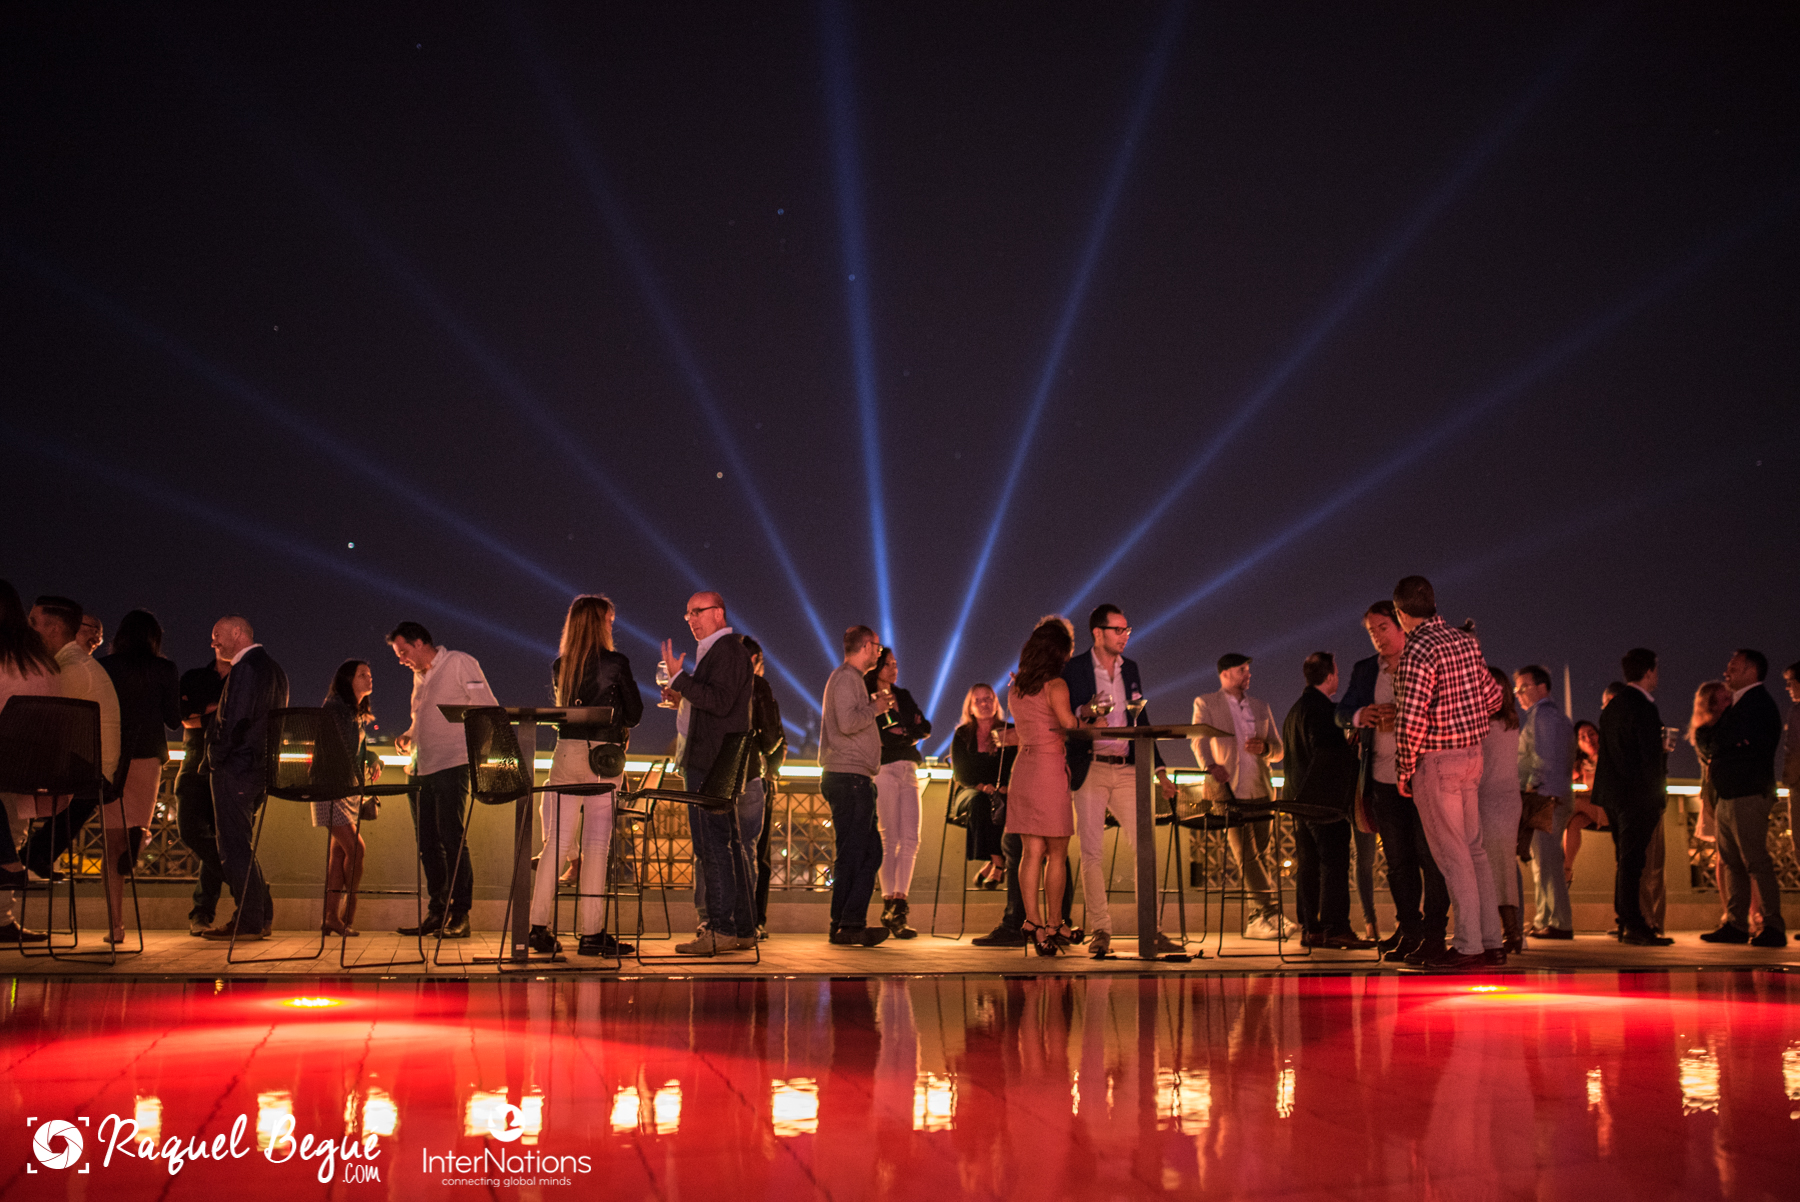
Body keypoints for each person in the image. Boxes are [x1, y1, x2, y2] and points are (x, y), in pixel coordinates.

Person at [1390, 576, 1505, 970]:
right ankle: (1492, 941)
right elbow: (1494, 697)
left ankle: (1469, 946)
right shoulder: (1465, 642)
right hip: (1473, 756)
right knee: (1475, 851)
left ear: (1401, 613)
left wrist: (1405, 768)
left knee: (1453, 855)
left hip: (1437, 761)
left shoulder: (1418, 649)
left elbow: (1411, 718)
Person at [527, 595, 643, 957]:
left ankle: (536, 927)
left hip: (566, 753)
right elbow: (634, 713)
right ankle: (592, 935)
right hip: (602, 758)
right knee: (595, 844)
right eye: (609, 620)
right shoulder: (616, 663)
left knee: (556, 844)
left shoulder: (562, 666)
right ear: (601, 622)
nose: (611, 626)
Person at [1062, 605, 1180, 958]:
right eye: (1118, 629)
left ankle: (1151, 930)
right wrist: (1087, 711)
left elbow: (1142, 717)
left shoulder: (1131, 669)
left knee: (1145, 845)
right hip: (1092, 765)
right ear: (1097, 633)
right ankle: (1101, 929)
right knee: (1091, 851)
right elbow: (1067, 715)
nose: (1125, 636)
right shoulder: (1075, 668)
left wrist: (1160, 771)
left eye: (1127, 629)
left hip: (1128, 766)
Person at [1337, 600, 1450, 964]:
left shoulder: (1425, 661)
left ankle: (1434, 933)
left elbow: (1445, 710)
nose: (1378, 637)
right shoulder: (1366, 669)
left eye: (1383, 628)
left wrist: (1405, 715)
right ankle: (1410, 930)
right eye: (1372, 632)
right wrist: (1362, 714)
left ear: (1401, 625)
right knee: (1398, 861)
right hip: (1382, 778)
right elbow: (1341, 712)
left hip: (1422, 775)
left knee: (1431, 857)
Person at [388, 620, 496, 939]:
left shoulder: (459, 662)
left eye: (403, 652)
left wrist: (479, 754)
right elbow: (420, 719)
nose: (401, 659)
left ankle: (460, 914)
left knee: (452, 838)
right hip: (418, 768)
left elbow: (487, 709)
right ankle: (438, 911)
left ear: (420, 643)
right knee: (427, 844)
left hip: (452, 764)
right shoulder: (419, 677)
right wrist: (409, 735)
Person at [662, 592, 757, 954]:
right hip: (716, 760)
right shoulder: (719, 651)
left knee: (712, 846)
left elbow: (719, 701)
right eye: (687, 614)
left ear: (718, 613)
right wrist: (684, 695)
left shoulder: (727, 650)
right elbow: (715, 700)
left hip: (711, 762)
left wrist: (680, 679)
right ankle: (742, 928)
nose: (691, 619)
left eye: (697, 612)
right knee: (725, 845)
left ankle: (719, 929)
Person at [21, 596, 121, 885]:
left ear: (53, 629)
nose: (27, 629)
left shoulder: (69, 669)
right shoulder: (76, 664)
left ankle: (12, 864)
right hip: (92, 770)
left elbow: (41, 728)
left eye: (33, 623)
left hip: (82, 773)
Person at [1007, 618, 1092, 956]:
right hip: (1049, 768)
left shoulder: (1016, 688)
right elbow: (1068, 724)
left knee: (1030, 852)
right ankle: (1055, 923)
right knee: (1057, 852)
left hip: (1023, 768)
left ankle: (1033, 922)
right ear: (1059, 652)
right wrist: (1091, 718)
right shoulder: (1056, 685)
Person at [1191, 653, 1291, 940]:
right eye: (1241, 670)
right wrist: (1210, 766)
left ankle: (1256, 920)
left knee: (1259, 855)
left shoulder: (1261, 706)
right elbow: (1198, 740)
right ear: (1224, 674)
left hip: (1261, 790)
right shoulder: (1206, 703)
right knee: (1246, 855)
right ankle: (1271, 911)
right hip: (1227, 791)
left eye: (1248, 670)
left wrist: (1265, 749)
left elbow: (1279, 749)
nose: (1248, 675)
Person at [201, 616, 288, 942]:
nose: (214, 643)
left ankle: (250, 919)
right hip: (260, 769)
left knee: (233, 847)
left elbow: (234, 720)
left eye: (217, 635)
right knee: (242, 844)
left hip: (236, 768)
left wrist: (215, 757)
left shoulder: (245, 668)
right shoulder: (276, 670)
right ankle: (259, 916)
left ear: (237, 632)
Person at [97, 610, 180, 944]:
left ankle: (116, 926)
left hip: (111, 758)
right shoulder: (164, 669)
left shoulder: (105, 667)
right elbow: (173, 719)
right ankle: (139, 840)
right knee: (139, 825)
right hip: (147, 755)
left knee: (110, 844)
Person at [1696, 649, 1786, 947]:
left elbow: (1722, 740)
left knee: (1755, 860)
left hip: (1747, 792)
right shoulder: (1740, 704)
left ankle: (1772, 925)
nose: (1727, 671)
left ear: (1751, 670)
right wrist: (1719, 742)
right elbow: (1717, 741)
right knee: (1733, 862)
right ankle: (1736, 923)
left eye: (1733, 666)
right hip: (1729, 793)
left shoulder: (1757, 704)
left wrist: (1718, 741)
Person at [818, 624, 895, 947]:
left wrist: (870, 705)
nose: (879, 652)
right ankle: (847, 924)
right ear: (865, 646)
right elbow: (848, 723)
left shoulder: (849, 680)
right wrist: (875, 708)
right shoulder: (847, 678)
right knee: (859, 853)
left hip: (853, 777)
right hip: (848, 778)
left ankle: (847, 923)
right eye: (877, 647)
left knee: (864, 852)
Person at [1282, 652, 1366, 948]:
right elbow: (1327, 753)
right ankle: (1336, 927)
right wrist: (1352, 752)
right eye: (1337, 674)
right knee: (1334, 862)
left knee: (1308, 865)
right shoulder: (1324, 710)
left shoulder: (1295, 710)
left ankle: (1311, 928)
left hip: (1296, 799)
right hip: (1322, 800)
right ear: (1330, 677)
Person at [1593, 648, 1673, 946]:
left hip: (1613, 795)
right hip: (1637, 796)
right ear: (1649, 671)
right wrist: (1658, 795)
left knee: (1624, 859)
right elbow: (1648, 758)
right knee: (1634, 862)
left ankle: (1626, 920)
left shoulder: (1613, 706)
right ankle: (1634, 923)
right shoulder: (1644, 707)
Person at [0, 580, 60, 941]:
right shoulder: (39, 660)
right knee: (11, 831)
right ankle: (3, 919)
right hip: (35, 771)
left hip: (7, 767)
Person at [865, 645, 930, 939]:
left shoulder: (902, 695)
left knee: (911, 838)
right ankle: (889, 902)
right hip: (884, 769)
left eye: (895, 663)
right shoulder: (868, 696)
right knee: (888, 838)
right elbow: (878, 735)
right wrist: (905, 733)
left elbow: (924, 726)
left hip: (909, 768)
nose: (894, 669)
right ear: (877, 667)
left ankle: (900, 903)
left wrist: (903, 734)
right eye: (888, 664)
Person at [319, 660, 382, 936]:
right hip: (332, 788)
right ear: (348, 679)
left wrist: (373, 757)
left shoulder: (351, 712)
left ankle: (331, 917)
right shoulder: (336, 709)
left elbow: (355, 748)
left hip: (344, 789)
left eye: (369, 674)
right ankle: (349, 907)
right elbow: (340, 750)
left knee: (340, 854)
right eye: (362, 674)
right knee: (357, 849)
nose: (369, 678)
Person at [1513, 664, 1574, 940]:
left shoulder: (1543, 716)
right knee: (1545, 861)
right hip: (1556, 794)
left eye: (1523, 687)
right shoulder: (1557, 717)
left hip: (1544, 797)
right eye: (1517, 689)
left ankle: (1558, 922)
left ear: (1542, 687)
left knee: (1547, 863)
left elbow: (1543, 756)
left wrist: (1531, 786)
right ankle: (1546, 919)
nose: (1518, 693)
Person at [174, 644, 230, 934]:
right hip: (196, 758)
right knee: (191, 829)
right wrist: (220, 712)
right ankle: (250, 885)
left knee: (221, 838)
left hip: (230, 763)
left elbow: (196, 718)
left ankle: (202, 913)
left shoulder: (246, 679)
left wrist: (204, 712)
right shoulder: (195, 677)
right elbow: (183, 717)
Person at [1478, 665, 1524, 954]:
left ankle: (1501, 933)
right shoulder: (1511, 722)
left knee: (1489, 868)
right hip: (1507, 800)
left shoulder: (1483, 725)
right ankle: (1511, 932)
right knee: (1503, 867)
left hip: (1487, 798)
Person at [743, 635, 786, 939]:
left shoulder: (720, 686)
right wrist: (772, 770)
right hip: (758, 778)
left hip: (725, 779)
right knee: (758, 852)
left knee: (728, 850)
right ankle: (755, 920)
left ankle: (730, 918)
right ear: (756, 661)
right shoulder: (761, 689)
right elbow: (775, 738)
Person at [951, 683, 1013, 891]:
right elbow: (960, 773)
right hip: (971, 790)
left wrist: (1006, 786)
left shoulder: (1010, 731)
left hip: (1003, 791)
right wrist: (982, 787)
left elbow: (1016, 764)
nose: (984, 704)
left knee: (1005, 804)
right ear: (970, 707)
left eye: (988, 698)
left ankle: (992, 862)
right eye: (978, 700)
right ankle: (999, 862)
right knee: (980, 803)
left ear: (996, 703)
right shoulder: (962, 734)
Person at [1688, 680, 1735, 924]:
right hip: (1715, 796)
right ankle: (1730, 911)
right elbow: (1714, 753)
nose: (1731, 700)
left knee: (1736, 857)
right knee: (1725, 857)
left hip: (1727, 793)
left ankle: (1746, 912)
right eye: (1725, 698)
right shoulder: (1706, 732)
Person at [1564, 719, 1606, 882]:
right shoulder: (1582, 764)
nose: (1588, 739)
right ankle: (1566, 871)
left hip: (1610, 810)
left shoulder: (1609, 758)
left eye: (1591, 734)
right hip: (1591, 811)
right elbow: (1564, 779)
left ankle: (1548, 841)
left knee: (1573, 803)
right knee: (1574, 823)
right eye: (1582, 737)